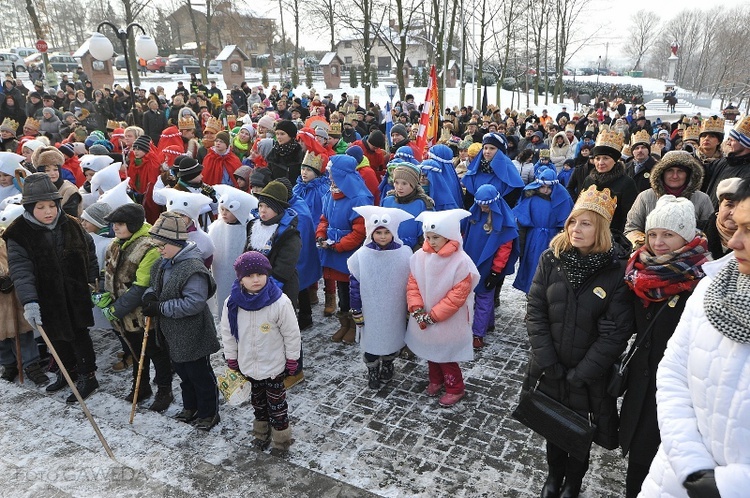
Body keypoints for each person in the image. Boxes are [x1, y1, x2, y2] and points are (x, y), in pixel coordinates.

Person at [638, 178, 750, 498]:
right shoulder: (711, 287)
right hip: (674, 479)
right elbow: (674, 371)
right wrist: (691, 464)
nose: (735, 241)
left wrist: (730, 486)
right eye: (738, 226)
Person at [522, 185, 633, 498]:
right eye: (572, 221)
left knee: (581, 429)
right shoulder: (552, 257)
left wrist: (582, 373)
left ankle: (573, 482)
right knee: (554, 426)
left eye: (585, 223)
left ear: (599, 228)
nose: (575, 229)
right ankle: (554, 477)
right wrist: (547, 359)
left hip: (588, 374)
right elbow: (536, 309)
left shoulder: (615, 270)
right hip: (552, 363)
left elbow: (617, 331)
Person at [619, 196, 709, 498]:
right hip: (642, 383)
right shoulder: (639, 272)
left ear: (686, 236)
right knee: (638, 459)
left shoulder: (700, 279)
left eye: (668, 234)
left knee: (663, 458)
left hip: (679, 389)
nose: (658, 242)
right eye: (653, 234)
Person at [3, 173, 100, 401]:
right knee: (56, 337)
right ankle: (68, 372)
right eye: (40, 207)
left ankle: (88, 375)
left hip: (75, 294)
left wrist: (92, 280)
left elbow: (90, 252)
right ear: (28, 207)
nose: (48, 212)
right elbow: (21, 270)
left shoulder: (72, 225)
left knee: (79, 335)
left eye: (51, 206)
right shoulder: (18, 233)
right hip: (46, 297)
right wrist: (30, 302)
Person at [142, 212, 221, 431]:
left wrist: (160, 308)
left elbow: (193, 303)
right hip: (172, 334)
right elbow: (154, 286)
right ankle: (190, 407)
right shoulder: (162, 263)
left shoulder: (193, 268)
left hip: (193, 333)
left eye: (162, 245)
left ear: (176, 242)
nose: (159, 250)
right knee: (184, 375)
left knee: (200, 375)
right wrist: (149, 295)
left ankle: (209, 412)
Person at [95, 203, 174, 411]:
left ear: (133, 224)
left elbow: (141, 286)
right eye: (114, 224)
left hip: (143, 314)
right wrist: (104, 294)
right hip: (122, 314)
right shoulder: (115, 244)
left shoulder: (149, 247)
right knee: (136, 351)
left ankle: (165, 389)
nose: (115, 228)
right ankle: (141, 385)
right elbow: (108, 272)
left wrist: (116, 309)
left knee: (155, 351)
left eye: (120, 224)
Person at [219, 250, 300, 452]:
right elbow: (228, 333)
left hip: (274, 367)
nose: (255, 280)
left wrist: (292, 360)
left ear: (267, 274)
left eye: (260, 274)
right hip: (248, 366)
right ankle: (261, 434)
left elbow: (292, 334)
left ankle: (281, 440)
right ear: (240, 278)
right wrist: (232, 358)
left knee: (277, 406)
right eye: (249, 276)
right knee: (258, 404)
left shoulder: (280, 303)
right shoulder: (232, 303)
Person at [405, 209, 480, 407]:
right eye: (428, 237)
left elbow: (457, 296)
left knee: (446, 355)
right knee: (431, 350)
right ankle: (436, 380)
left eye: (436, 237)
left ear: (449, 236)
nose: (432, 241)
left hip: (448, 319)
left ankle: (456, 387)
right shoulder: (420, 256)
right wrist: (417, 308)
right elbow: (413, 284)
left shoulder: (461, 262)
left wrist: (434, 316)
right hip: (425, 315)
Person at [348, 206, 413, 389]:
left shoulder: (403, 254)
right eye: (378, 233)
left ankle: (388, 365)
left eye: (387, 232)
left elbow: (410, 283)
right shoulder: (362, 256)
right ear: (370, 232)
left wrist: (409, 308)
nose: (382, 236)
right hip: (371, 310)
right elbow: (355, 285)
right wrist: (357, 309)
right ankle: (373, 369)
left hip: (394, 309)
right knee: (372, 343)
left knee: (392, 340)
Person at [316, 155, 372, 343]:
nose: (330, 177)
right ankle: (344, 323)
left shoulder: (359, 197)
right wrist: (321, 235)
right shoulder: (330, 194)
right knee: (341, 288)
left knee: (352, 289)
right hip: (333, 250)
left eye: (333, 174)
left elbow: (359, 231)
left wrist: (339, 245)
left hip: (348, 252)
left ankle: (355, 324)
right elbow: (324, 218)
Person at [462, 185, 518, 349]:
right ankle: (488, 322)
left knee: (484, 298)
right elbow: (465, 236)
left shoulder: (504, 223)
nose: (483, 208)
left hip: (489, 267)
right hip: (471, 263)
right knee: (477, 298)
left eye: (486, 205)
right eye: (480, 204)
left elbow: (504, 249)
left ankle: (478, 333)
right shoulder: (474, 216)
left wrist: (495, 272)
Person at [0, 203, 48, 385]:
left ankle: (30, 364)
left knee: (22, 333)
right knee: (2, 338)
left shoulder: (5, 240)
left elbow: (19, 262)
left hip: (13, 297)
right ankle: (9, 364)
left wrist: (11, 277)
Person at [624, 150, 713, 249]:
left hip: (690, 257)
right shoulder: (645, 197)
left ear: (689, 174)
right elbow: (631, 229)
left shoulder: (702, 199)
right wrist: (649, 246)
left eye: (680, 171)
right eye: (670, 170)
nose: (675, 176)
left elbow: (710, 232)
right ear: (661, 172)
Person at [512, 167, 574, 294]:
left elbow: (566, 224)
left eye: (549, 187)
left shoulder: (563, 200)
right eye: (542, 187)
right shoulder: (530, 199)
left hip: (553, 239)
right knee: (532, 266)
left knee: (551, 268)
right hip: (533, 240)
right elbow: (522, 224)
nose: (545, 190)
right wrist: (521, 247)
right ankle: (531, 292)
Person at [207, 185, 258, 321]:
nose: (223, 213)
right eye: (222, 209)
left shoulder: (249, 226)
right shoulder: (216, 227)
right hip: (221, 272)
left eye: (228, 210)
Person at [581, 130, 638, 233]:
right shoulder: (589, 180)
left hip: (613, 236)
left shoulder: (626, 183)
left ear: (615, 160)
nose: (600, 163)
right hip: (588, 234)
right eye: (597, 158)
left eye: (606, 158)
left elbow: (630, 216)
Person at [380, 164, 434, 251]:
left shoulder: (423, 204)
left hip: (413, 251)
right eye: (396, 182)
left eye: (404, 183)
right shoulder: (387, 201)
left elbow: (428, 233)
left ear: (413, 185)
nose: (399, 187)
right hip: (387, 249)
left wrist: (418, 250)